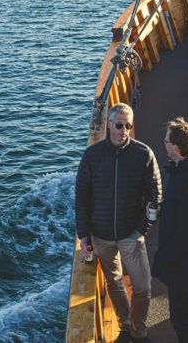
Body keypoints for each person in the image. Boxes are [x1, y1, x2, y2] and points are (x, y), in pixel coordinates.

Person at [75, 103, 162, 343]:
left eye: (129, 125)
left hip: (131, 235)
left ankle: (139, 332)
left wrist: (142, 229)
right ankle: (126, 325)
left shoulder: (143, 154)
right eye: (120, 125)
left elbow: (156, 196)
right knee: (114, 283)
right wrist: (84, 235)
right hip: (101, 236)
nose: (124, 130)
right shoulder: (92, 156)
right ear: (109, 125)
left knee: (143, 287)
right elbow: (81, 196)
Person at [152, 117, 188, 343]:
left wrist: (164, 257)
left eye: (166, 141)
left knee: (180, 319)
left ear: (176, 149)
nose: (164, 144)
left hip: (184, 265)